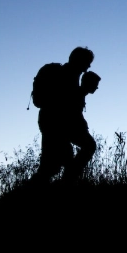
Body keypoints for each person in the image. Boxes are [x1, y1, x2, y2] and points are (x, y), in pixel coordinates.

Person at [31, 47, 100, 185]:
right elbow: (64, 104)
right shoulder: (66, 75)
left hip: (54, 123)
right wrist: (84, 91)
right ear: (78, 60)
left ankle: (64, 184)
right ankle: (64, 185)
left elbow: (70, 105)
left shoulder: (72, 75)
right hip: (56, 124)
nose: (87, 67)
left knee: (53, 165)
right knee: (52, 166)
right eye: (87, 63)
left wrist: (83, 91)